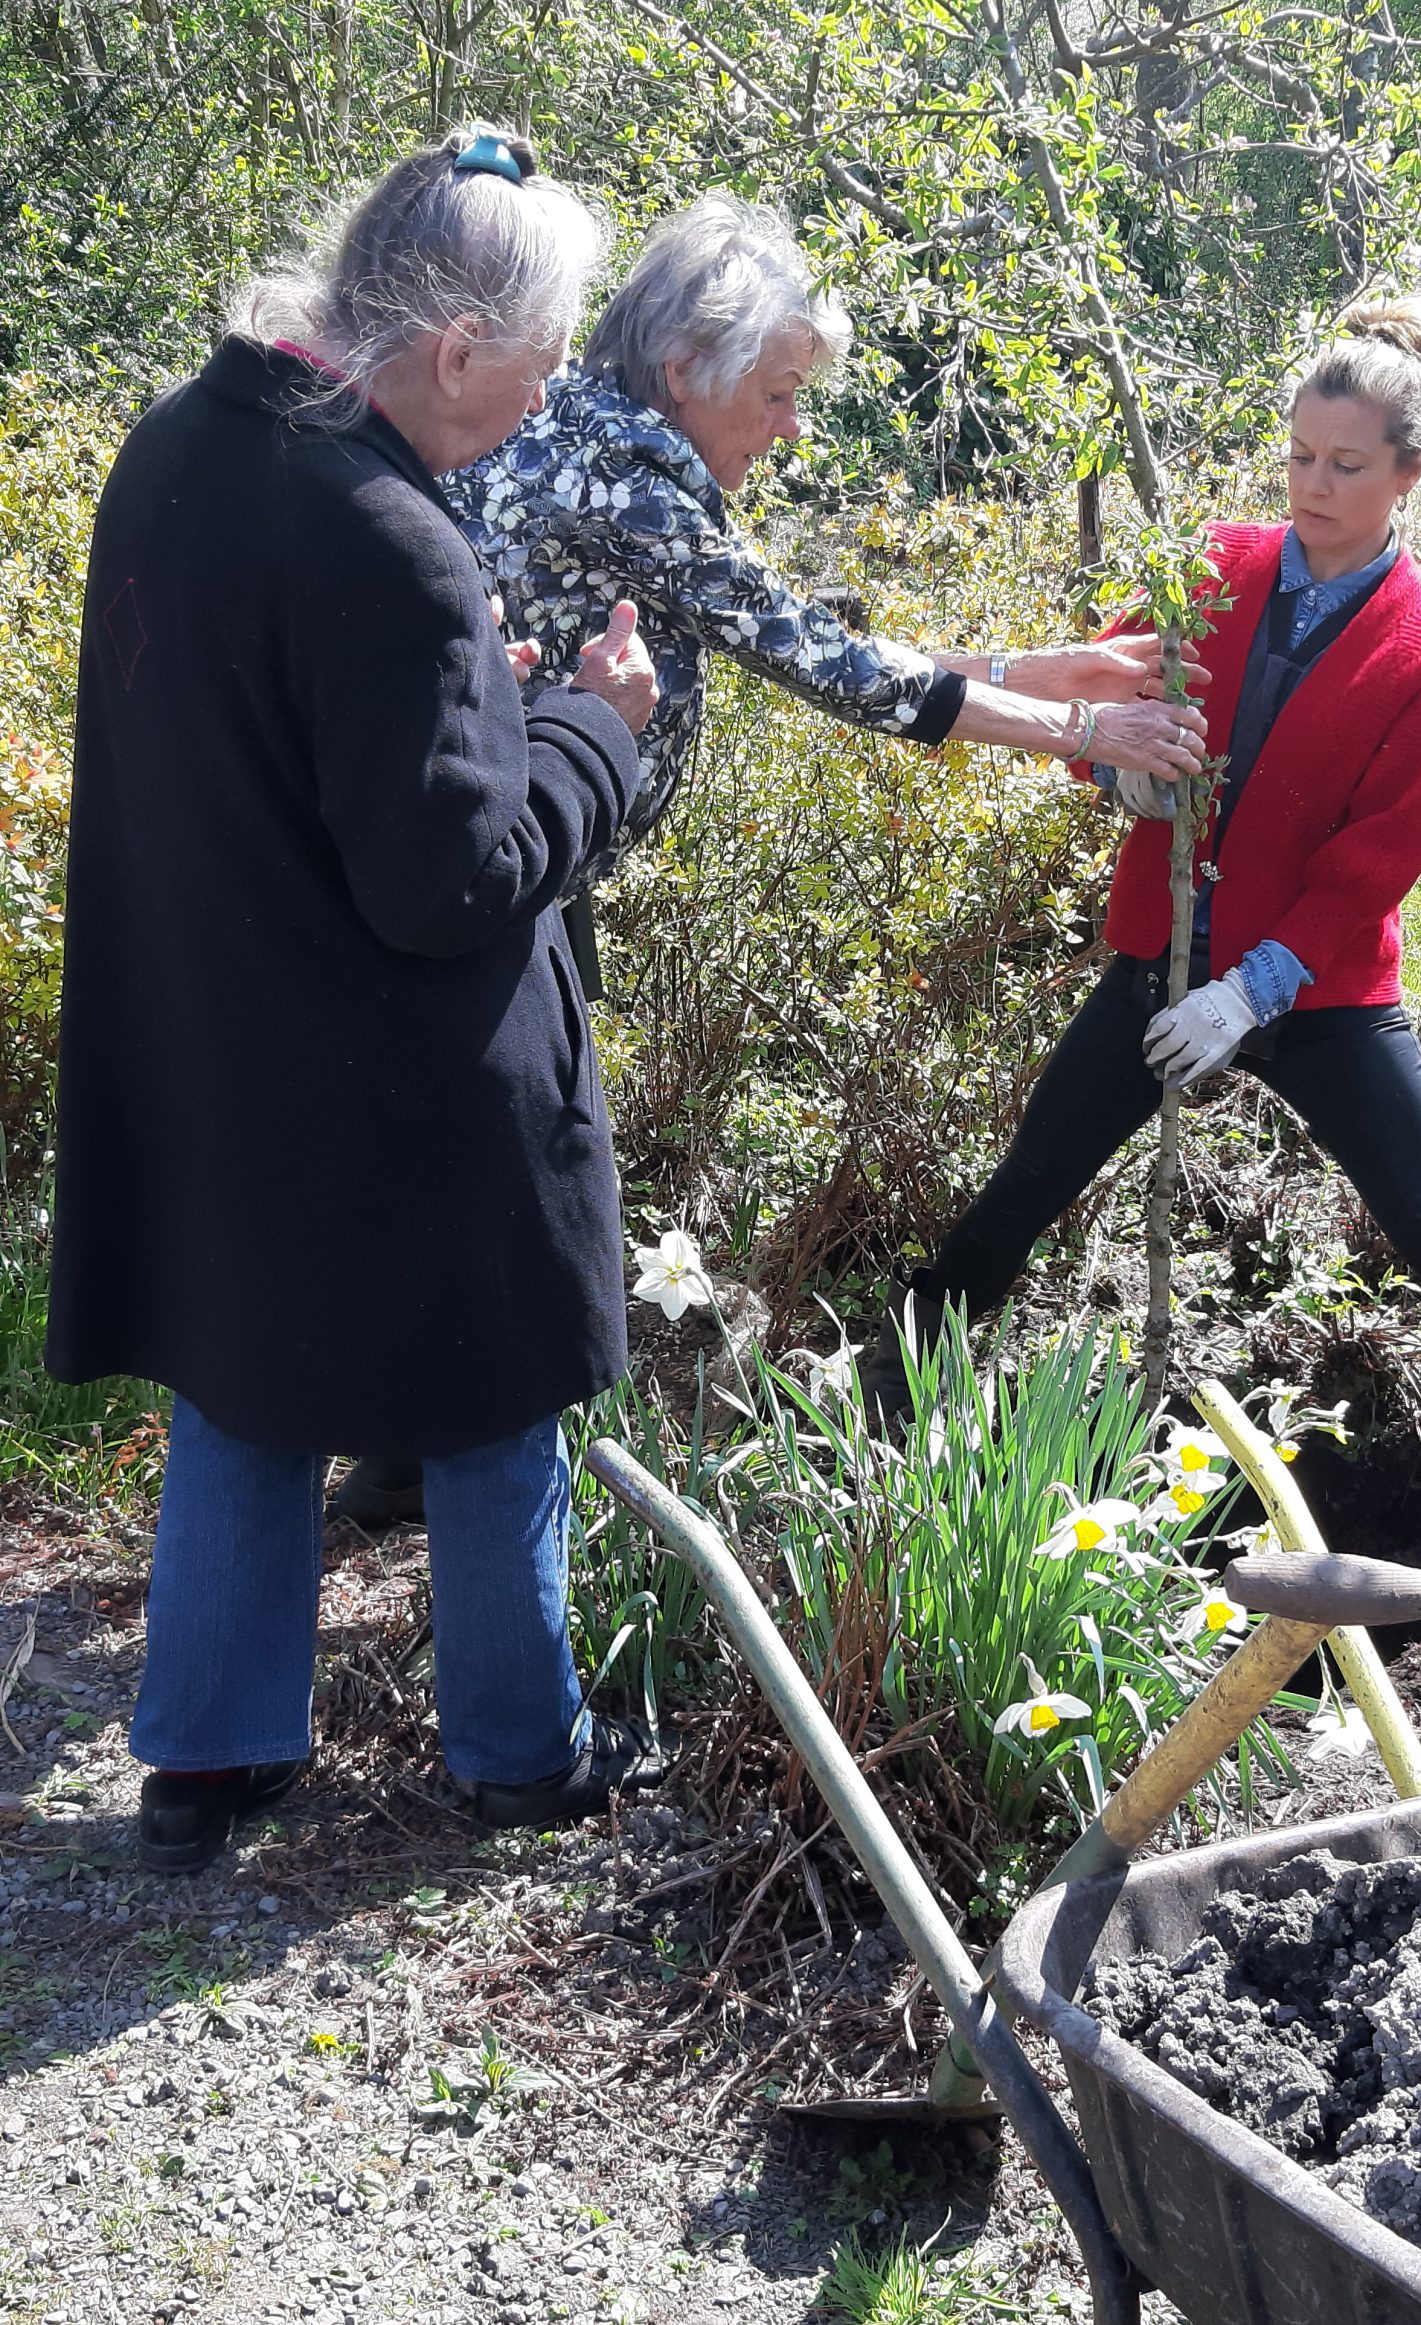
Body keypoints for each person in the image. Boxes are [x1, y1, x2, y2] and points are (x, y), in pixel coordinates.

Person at [333, 189, 1211, 1530]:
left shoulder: (609, 444)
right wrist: (1086, 729)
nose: (793, 428)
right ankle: (461, 1466)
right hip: (503, 863)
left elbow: (791, 634)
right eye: (781, 394)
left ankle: (408, 1452)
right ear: (687, 366)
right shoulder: (623, 476)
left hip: (516, 853)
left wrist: (1040, 671)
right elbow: (825, 665)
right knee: (521, 1158)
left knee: (485, 1150)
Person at [47, 127, 668, 1875]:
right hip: (402, 1074)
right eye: (538, 369)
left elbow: (267, 739)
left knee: (243, 1378)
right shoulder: (386, 531)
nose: (540, 407)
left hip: (219, 1032)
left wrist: (469, 707)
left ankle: (208, 1757)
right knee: (490, 1393)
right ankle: (523, 1757)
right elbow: (451, 881)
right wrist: (589, 730)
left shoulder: (181, 446)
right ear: (456, 349)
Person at [863, 300, 1421, 1495]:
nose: (1313, 485)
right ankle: (883, 1391)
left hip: (1317, 987)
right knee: (1031, 1179)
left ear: (1408, 475)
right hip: (1163, 964)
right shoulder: (1214, 565)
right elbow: (1098, 701)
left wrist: (1251, 993)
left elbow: (1376, 861)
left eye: (1347, 466)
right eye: (1301, 456)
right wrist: (1118, 776)